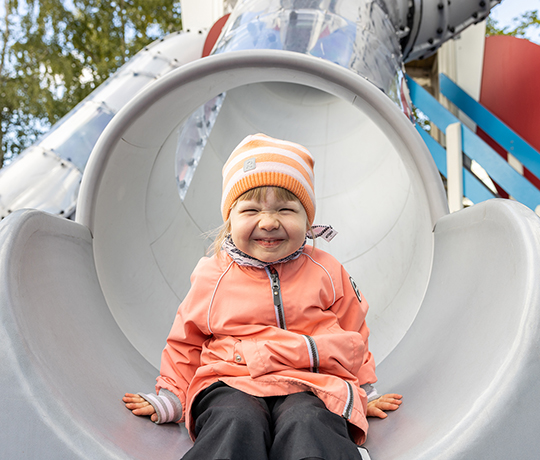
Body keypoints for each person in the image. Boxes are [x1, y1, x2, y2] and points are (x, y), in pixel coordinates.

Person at [123, 133, 402, 459]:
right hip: (230, 380)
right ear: (230, 220)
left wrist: (365, 390)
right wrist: (172, 395)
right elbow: (186, 341)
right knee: (234, 421)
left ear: (307, 220)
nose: (269, 222)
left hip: (311, 382)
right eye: (251, 210)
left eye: (286, 209)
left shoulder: (325, 269)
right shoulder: (213, 275)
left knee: (309, 421)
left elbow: (353, 331)